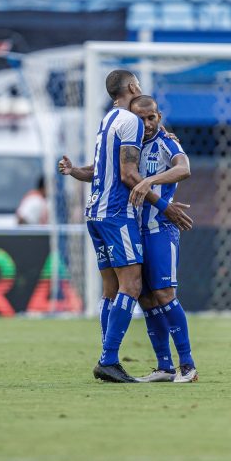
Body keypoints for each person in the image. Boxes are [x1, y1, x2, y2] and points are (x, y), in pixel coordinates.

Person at [57, 69, 193, 384]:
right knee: (132, 287)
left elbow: (103, 168)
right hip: (117, 213)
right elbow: (127, 174)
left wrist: (76, 171)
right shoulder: (130, 122)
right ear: (133, 86)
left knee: (112, 290)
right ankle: (108, 359)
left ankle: (129, 360)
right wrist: (165, 206)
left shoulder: (109, 119)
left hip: (94, 212)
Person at [128, 95, 197, 383]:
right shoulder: (129, 146)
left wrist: (149, 181)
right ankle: (164, 367)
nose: (146, 124)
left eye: (151, 118)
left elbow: (184, 168)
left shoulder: (167, 143)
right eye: (140, 119)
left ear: (159, 117)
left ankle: (188, 366)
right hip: (134, 228)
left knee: (165, 294)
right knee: (145, 298)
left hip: (160, 228)